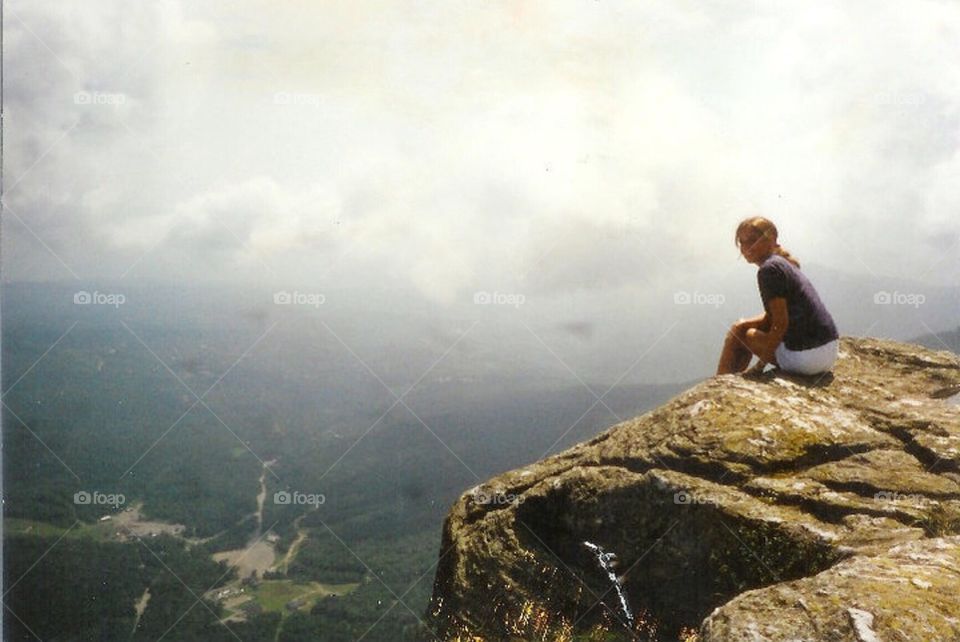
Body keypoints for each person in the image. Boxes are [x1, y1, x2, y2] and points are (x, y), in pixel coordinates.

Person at [716, 216, 839, 376]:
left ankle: (721, 381)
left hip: (807, 359)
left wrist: (759, 367)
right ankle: (724, 380)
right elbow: (775, 316)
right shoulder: (783, 263)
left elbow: (780, 323)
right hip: (829, 351)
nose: (747, 247)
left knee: (744, 336)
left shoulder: (768, 271)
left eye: (752, 240)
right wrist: (740, 326)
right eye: (742, 242)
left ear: (771, 240)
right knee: (739, 329)